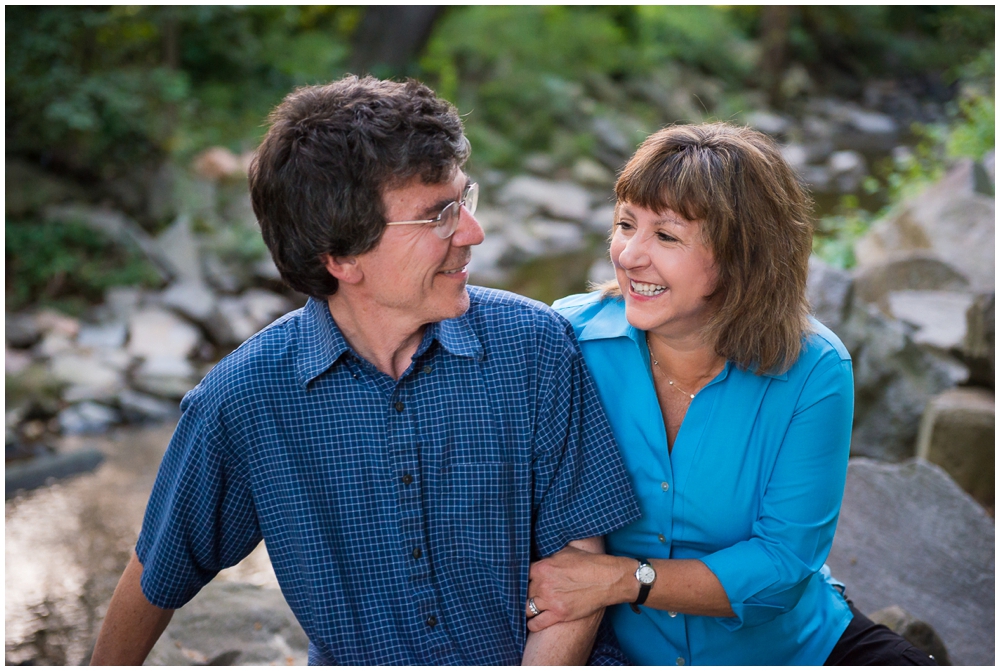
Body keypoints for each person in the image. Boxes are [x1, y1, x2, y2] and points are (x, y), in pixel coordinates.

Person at [90, 76, 641, 665]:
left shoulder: (533, 345)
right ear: (343, 258)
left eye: (465, 199)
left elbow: (577, 573)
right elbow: (160, 569)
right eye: (440, 216)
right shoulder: (245, 398)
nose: (474, 233)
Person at [528, 123, 937, 665]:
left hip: (790, 649)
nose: (628, 256)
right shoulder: (567, 340)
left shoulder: (814, 369)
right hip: (622, 652)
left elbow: (783, 566)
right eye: (625, 224)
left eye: (666, 236)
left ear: (742, 256)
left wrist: (621, 580)